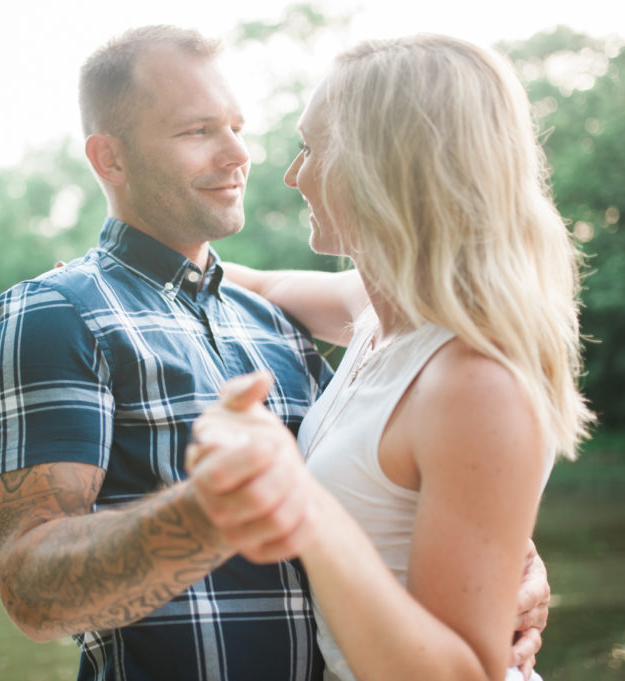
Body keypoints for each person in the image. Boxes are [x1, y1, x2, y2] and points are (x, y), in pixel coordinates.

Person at [0, 26, 550, 681]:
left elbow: (408, 490)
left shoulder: (279, 325)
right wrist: (218, 509)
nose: (242, 155)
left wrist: (505, 565)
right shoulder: (58, 314)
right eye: (197, 131)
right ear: (110, 159)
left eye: (238, 126)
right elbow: (32, 595)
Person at [186, 34, 594, 681]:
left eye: (310, 147)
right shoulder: (378, 312)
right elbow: (249, 280)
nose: (293, 174)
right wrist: (116, 273)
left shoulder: (473, 380)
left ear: (381, 164)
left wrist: (301, 507)